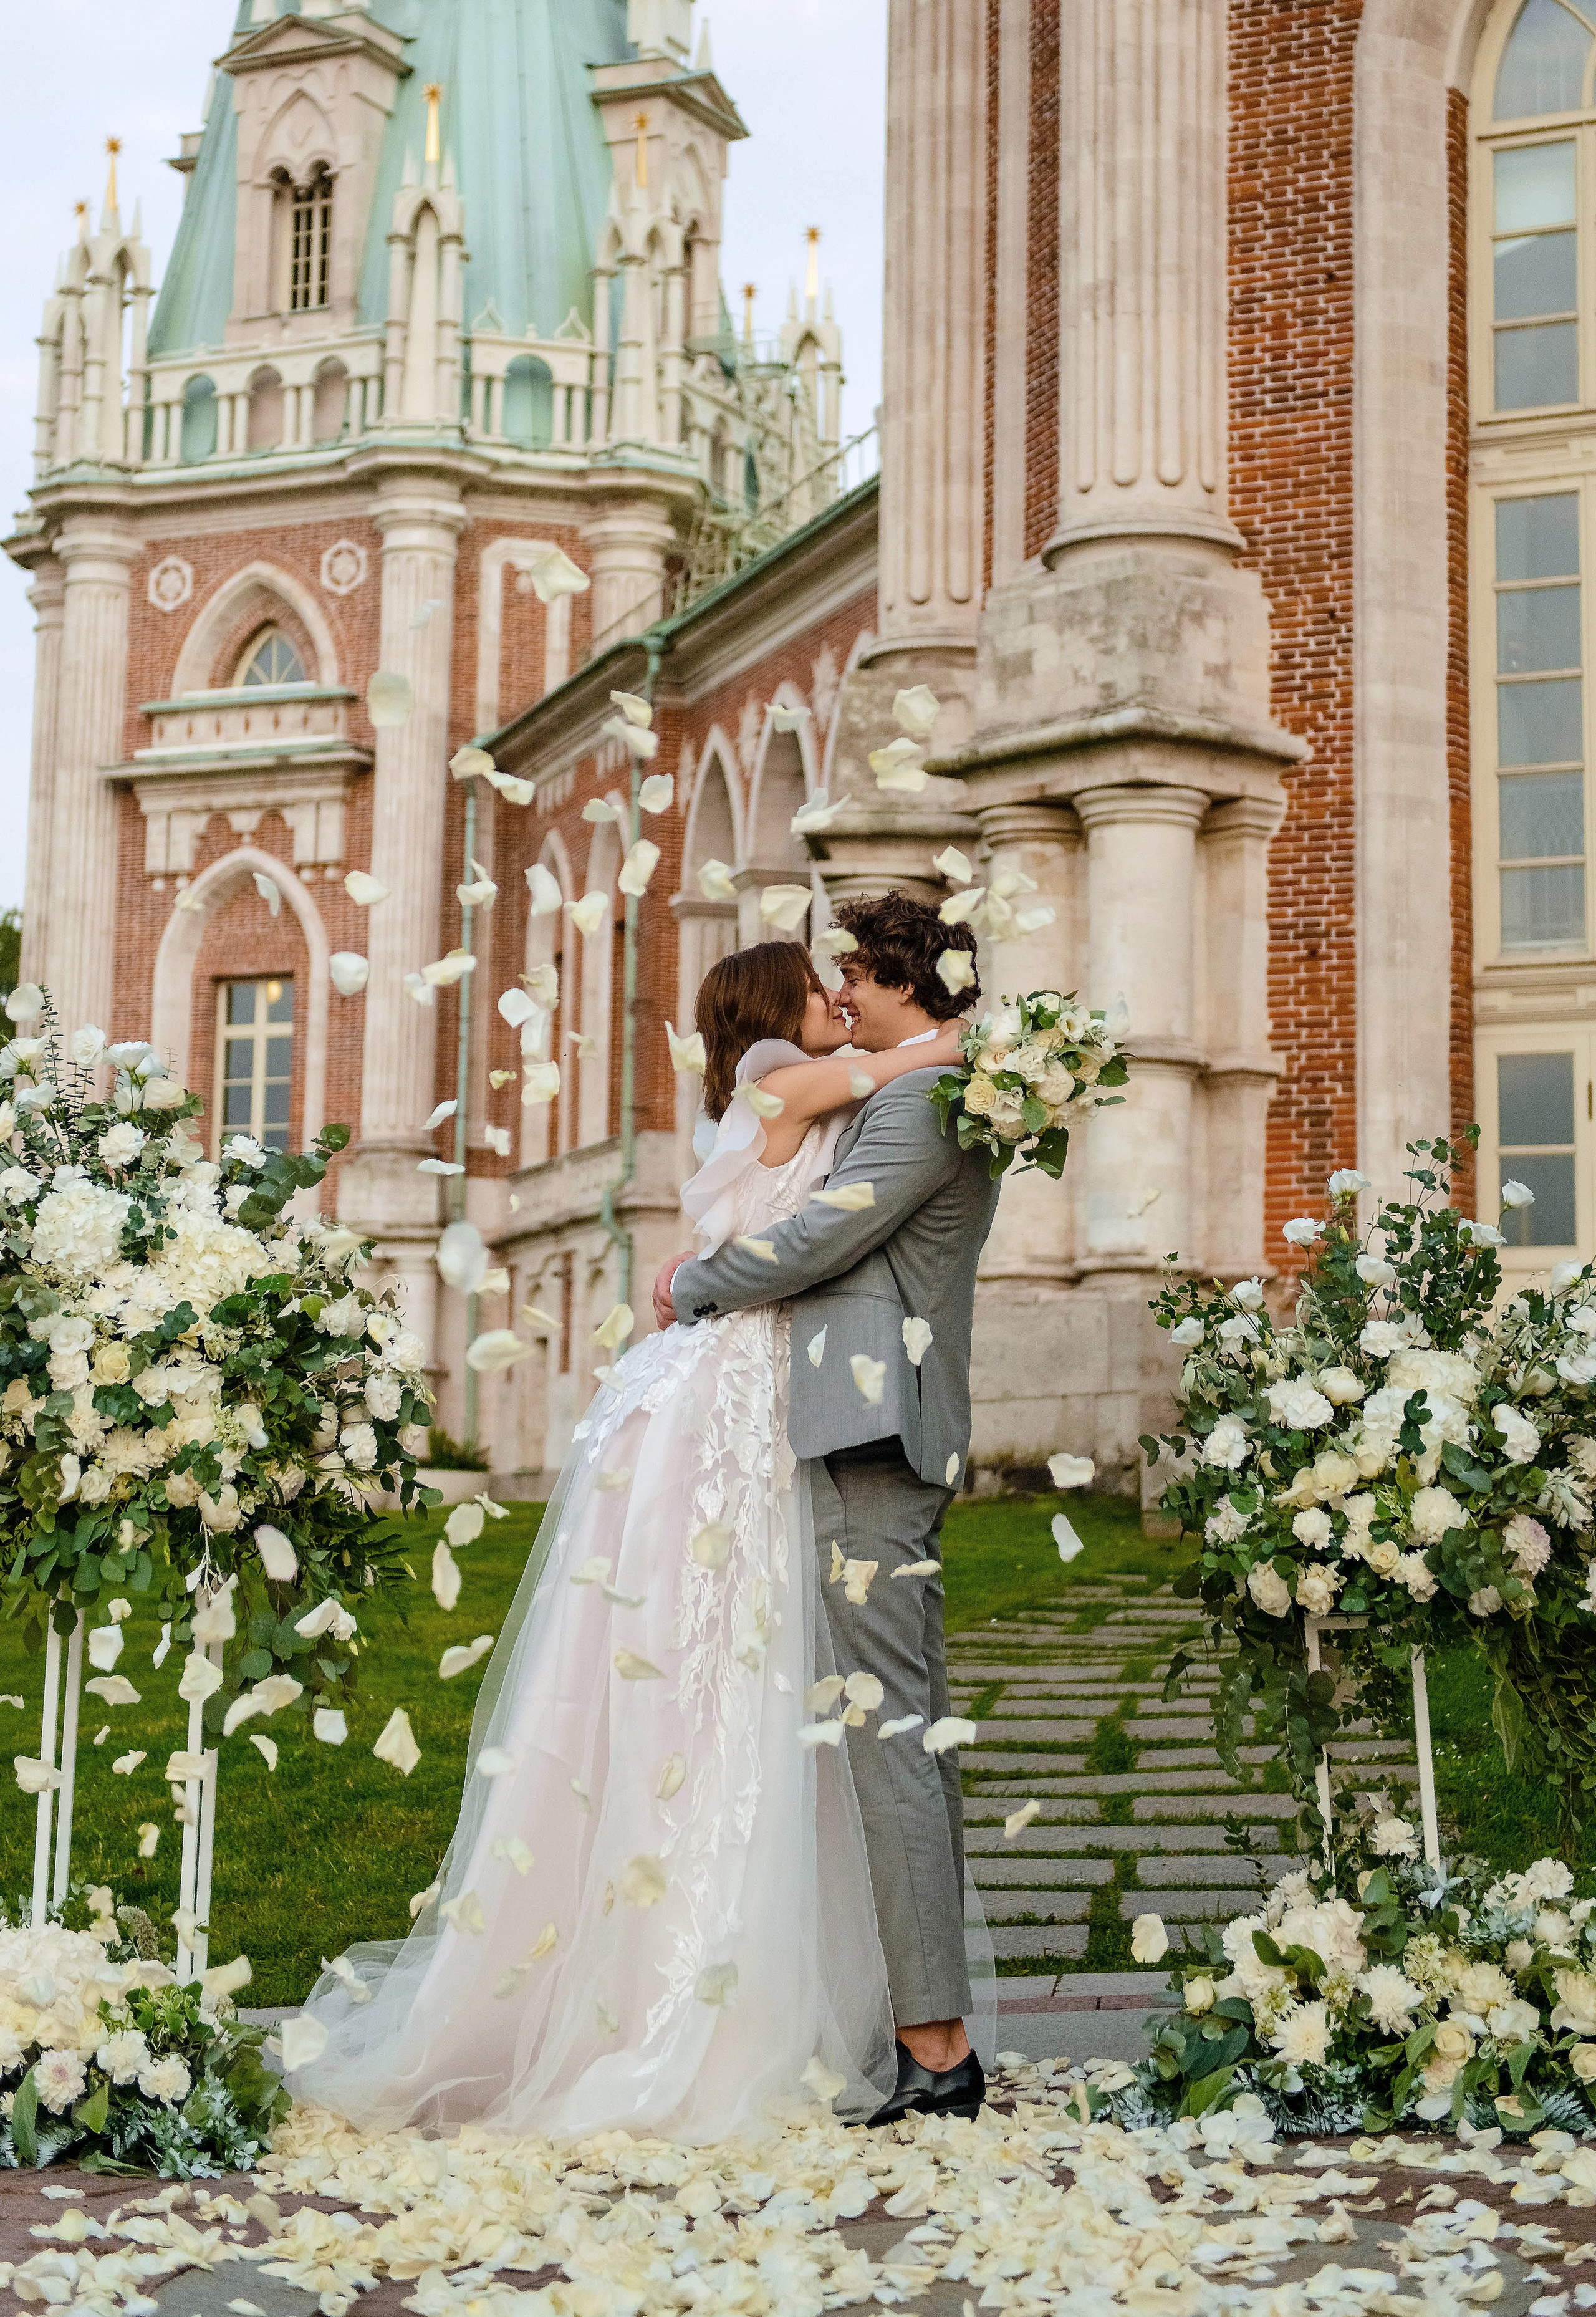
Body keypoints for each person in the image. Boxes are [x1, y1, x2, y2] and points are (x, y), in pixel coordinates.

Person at [286, 938, 968, 2145]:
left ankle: (800, 1986)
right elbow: (858, 1099)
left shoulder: (834, 1089)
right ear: (773, 1011)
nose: (836, 1001)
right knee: (714, 1663)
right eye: (821, 987)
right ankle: (726, 1995)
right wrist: (971, 1045)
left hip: (774, 1394)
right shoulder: (784, 1069)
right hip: (730, 1390)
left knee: (744, 1677)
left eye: (851, 984)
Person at [655, 892, 1004, 2129]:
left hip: (873, 1430)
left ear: (900, 978)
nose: (840, 994)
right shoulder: (910, 1081)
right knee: (876, 1724)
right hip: (849, 1425)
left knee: (890, 1731)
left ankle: (937, 2048)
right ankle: (903, 2022)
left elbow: (819, 1237)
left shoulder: (920, 1100)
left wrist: (693, 1280)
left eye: (853, 973)